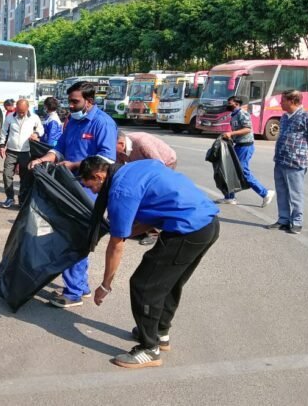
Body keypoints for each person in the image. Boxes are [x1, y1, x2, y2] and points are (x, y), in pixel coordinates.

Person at [80, 156, 220, 369]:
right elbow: (153, 214)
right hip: (207, 224)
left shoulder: (121, 191)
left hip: (188, 229)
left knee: (144, 285)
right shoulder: (133, 168)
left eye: (91, 186)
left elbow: (116, 246)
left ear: (99, 176)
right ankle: (160, 333)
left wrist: (105, 285)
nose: (93, 192)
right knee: (168, 282)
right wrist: (124, 231)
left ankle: (149, 349)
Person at [28, 81, 118, 309]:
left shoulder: (102, 123)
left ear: (89, 101)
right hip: (69, 186)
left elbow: (107, 160)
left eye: (75, 101)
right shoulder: (73, 121)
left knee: (73, 238)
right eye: (69, 101)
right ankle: (80, 286)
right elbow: (59, 148)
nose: (70, 105)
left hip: (89, 190)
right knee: (72, 237)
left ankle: (74, 292)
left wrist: (75, 165)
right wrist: (43, 158)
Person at [267, 89, 308, 235]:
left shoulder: (307, 117)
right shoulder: (285, 117)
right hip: (280, 160)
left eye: (283, 100)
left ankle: (297, 222)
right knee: (282, 192)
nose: (280, 103)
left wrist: (307, 152)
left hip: (295, 162)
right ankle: (283, 220)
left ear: (292, 101)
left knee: (295, 194)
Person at [218, 96, 275, 207]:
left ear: (237, 104)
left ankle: (265, 193)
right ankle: (230, 197)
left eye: (230, 103)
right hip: (238, 145)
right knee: (231, 170)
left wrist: (231, 134)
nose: (228, 105)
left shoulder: (242, 114)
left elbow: (247, 129)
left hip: (245, 146)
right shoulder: (233, 115)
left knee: (243, 171)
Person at [0, 99, 44, 208]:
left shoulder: (34, 118)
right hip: (11, 151)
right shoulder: (10, 117)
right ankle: (10, 197)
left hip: (26, 152)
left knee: (25, 177)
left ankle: (22, 199)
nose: (20, 114)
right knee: (6, 174)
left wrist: (36, 134)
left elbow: (41, 129)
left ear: (27, 108)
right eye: (19, 111)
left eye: (23, 112)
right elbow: (4, 132)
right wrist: (2, 146)